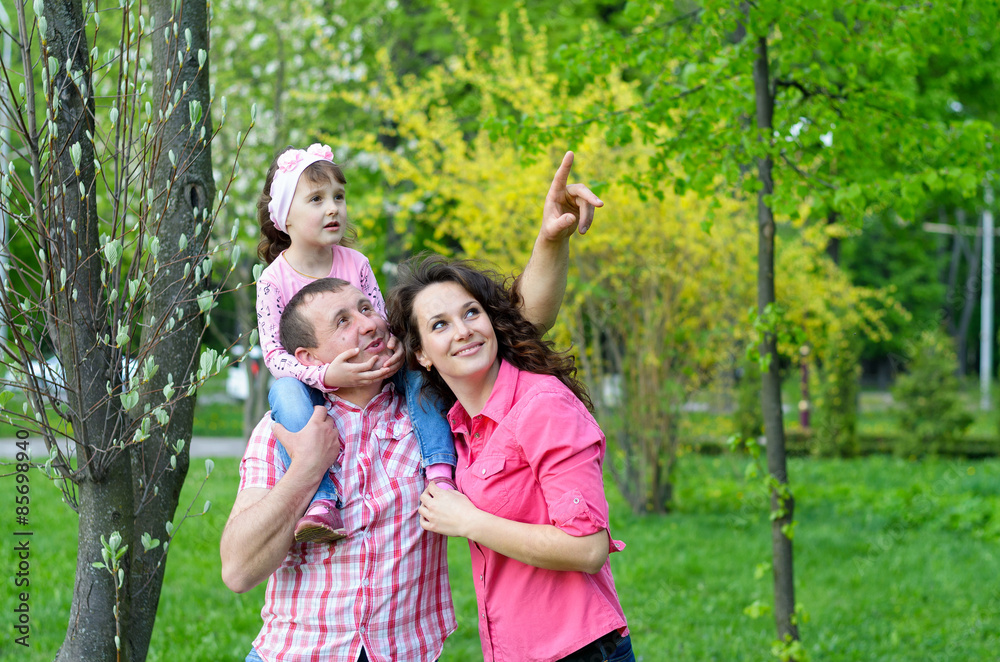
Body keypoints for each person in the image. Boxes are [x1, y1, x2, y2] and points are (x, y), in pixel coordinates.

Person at [223, 154, 606, 662]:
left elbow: (514, 326)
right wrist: (308, 468)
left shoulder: (432, 407)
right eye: (343, 321)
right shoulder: (285, 430)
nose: (367, 322)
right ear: (309, 358)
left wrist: (550, 241)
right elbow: (238, 570)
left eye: (366, 307)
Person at [387, 256, 635, 662]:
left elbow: (587, 549)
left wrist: (469, 521)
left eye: (471, 312)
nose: (464, 331)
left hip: (578, 650)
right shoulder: (458, 428)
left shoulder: (542, 405)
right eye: (440, 324)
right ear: (422, 355)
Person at [255, 143, 454, 543]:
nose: (333, 208)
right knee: (285, 392)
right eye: (316, 199)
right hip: (311, 377)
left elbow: (379, 319)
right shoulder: (273, 280)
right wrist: (326, 373)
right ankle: (322, 501)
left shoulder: (355, 263)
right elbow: (275, 356)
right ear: (284, 219)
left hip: (368, 366)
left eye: (339, 197)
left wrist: (396, 346)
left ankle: (440, 472)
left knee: (419, 377)